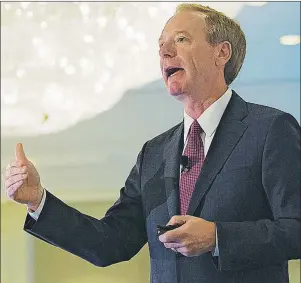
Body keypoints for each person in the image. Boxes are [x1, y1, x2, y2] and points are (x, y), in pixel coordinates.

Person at [4, 4, 301, 283]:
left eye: (181, 39)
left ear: (221, 52)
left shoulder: (270, 130)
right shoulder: (154, 153)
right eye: (161, 46)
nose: (165, 52)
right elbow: (109, 243)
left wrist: (217, 237)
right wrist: (37, 200)